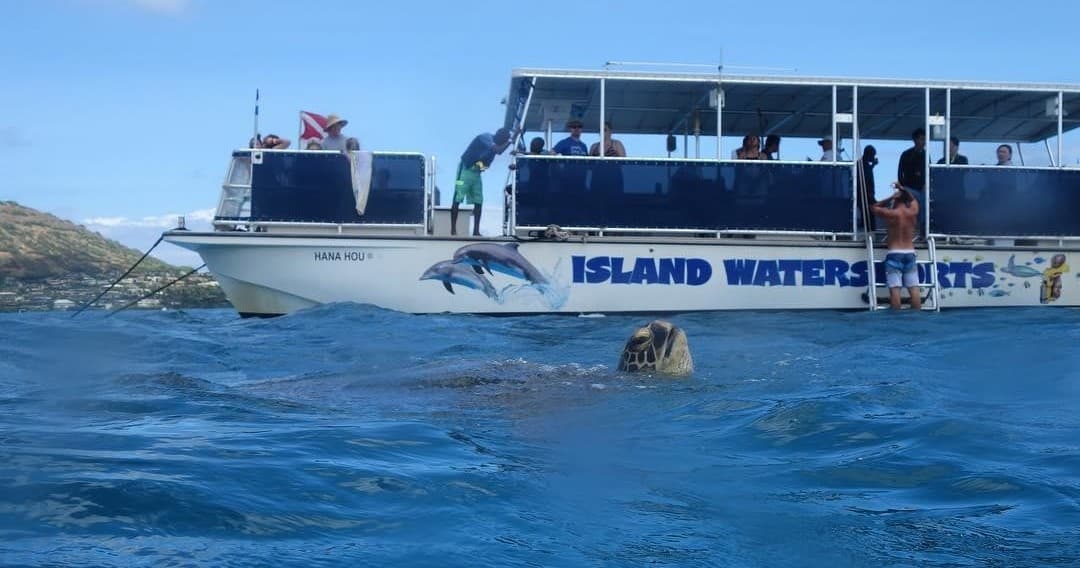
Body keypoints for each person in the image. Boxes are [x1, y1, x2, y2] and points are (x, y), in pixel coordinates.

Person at [451, 127, 513, 236]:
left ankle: (476, 231)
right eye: (503, 141)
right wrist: (511, 140)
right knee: (457, 197)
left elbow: (493, 156)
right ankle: (453, 230)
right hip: (464, 170)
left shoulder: (495, 145)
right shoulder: (486, 137)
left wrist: (482, 167)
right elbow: (498, 151)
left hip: (476, 174)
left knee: (479, 200)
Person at [871, 183, 922, 311]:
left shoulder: (891, 214)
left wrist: (891, 198)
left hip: (894, 253)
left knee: (895, 290)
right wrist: (903, 189)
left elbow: (873, 207)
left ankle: (897, 317)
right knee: (914, 289)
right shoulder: (913, 211)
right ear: (906, 200)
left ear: (895, 201)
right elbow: (913, 200)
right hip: (910, 253)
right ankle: (917, 316)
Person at [857, 145, 878, 231]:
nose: (873, 157)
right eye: (873, 155)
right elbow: (866, 181)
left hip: (866, 196)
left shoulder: (862, 164)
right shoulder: (862, 166)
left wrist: (873, 165)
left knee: (868, 218)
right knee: (868, 219)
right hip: (865, 198)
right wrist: (871, 198)